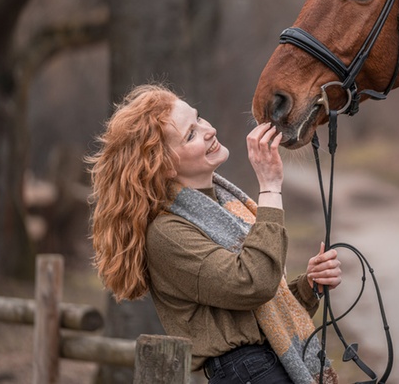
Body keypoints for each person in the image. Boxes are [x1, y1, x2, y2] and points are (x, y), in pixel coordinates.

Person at [88, 84, 340, 384]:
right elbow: (253, 284)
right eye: (190, 135)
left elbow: (259, 309)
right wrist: (270, 186)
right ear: (164, 166)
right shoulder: (167, 233)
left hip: (266, 365)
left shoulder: (225, 205)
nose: (207, 130)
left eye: (199, 118)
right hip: (249, 373)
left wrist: (308, 287)